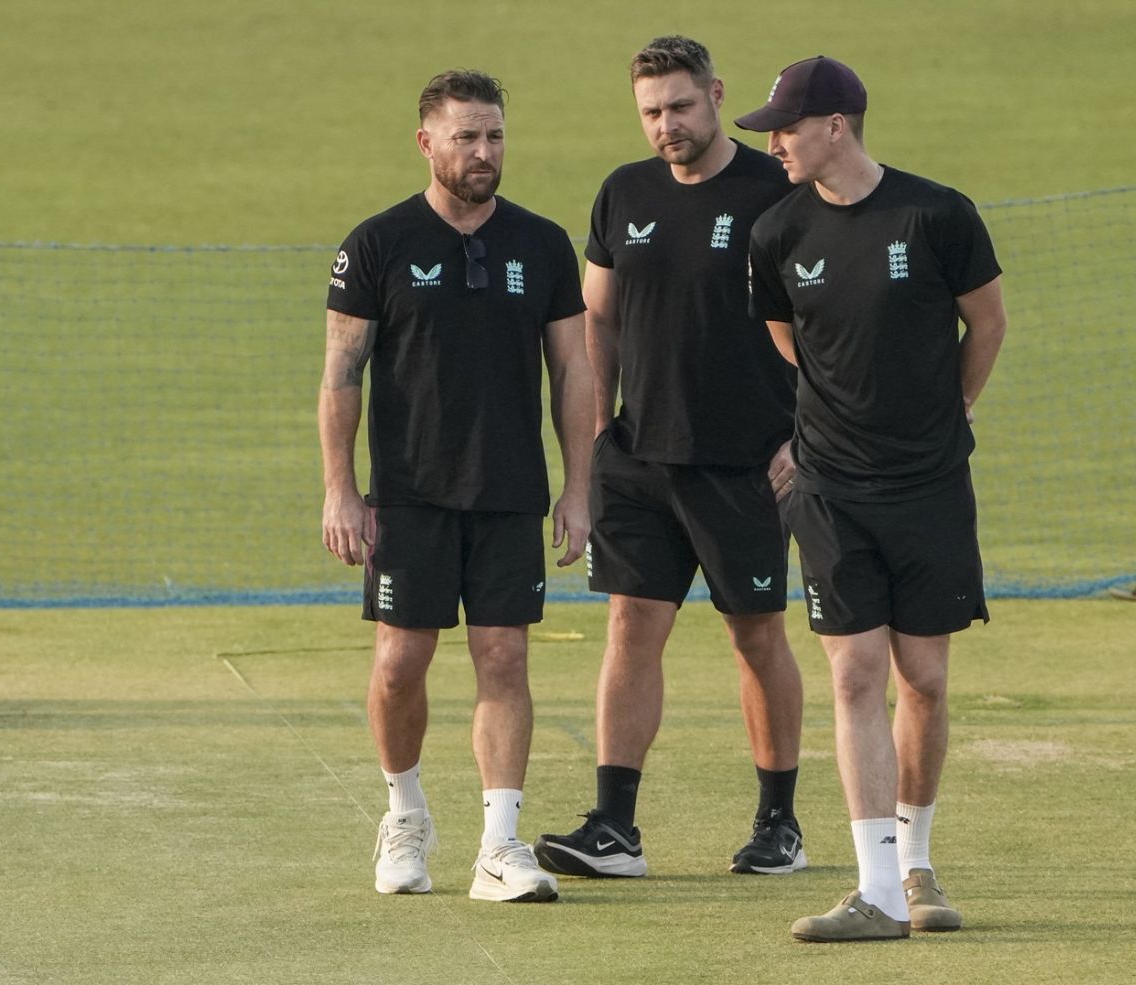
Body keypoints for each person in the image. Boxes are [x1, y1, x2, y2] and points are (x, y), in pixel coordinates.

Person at [737, 56, 1008, 940]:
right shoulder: (777, 232)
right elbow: (791, 341)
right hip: (829, 487)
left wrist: (951, 411)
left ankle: (917, 861)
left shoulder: (937, 214)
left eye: (785, 126)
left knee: (922, 676)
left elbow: (989, 321)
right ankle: (877, 889)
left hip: (930, 484)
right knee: (854, 671)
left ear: (837, 125)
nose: (773, 142)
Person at [532, 36, 806, 880]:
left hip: (749, 464)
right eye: (651, 111)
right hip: (639, 460)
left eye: (681, 106)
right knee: (630, 626)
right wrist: (597, 434)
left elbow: (828, 322)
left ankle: (779, 826)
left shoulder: (776, 193)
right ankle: (615, 827)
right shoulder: (624, 192)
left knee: (755, 634)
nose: (666, 125)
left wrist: (806, 436)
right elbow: (597, 322)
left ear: (717, 95)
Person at [319, 68, 593, 904]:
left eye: (496, 135)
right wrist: (341, 487)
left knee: (504, 656)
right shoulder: (376, 244)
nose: (484, 151)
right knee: (402, 662)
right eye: (467, 136)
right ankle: (404, 815)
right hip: (407, 494)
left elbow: (574, 370)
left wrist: (579, 487)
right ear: (427, 141)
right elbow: (342, 370)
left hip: (510, 491)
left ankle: (500, 846)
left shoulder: (542, 245)